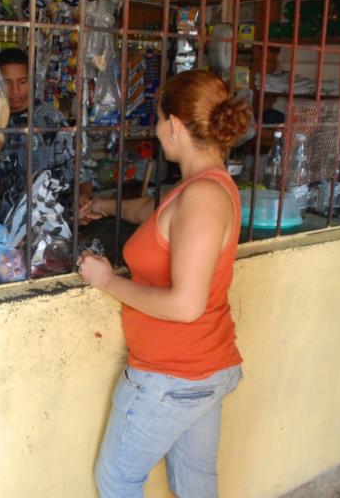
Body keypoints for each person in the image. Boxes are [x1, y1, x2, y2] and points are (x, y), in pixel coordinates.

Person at [77, 70, 251, 497]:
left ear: (174, 125)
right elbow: (152, 214)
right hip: (201, 368)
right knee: (194, 485)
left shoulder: (203, 197)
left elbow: (184, 305)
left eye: (157, 120)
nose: (156, 130)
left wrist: (106, 280)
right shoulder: (200, 187)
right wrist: (99, 205)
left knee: (116, 480)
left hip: (174, 374)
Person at [0, 47, 93, 225]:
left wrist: (83, 198)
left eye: (23, 81)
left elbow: (81, 174)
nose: (16, 90)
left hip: (50, 224)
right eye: (7, 82)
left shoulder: (51, 120)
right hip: (8, 227)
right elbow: (1, 185)